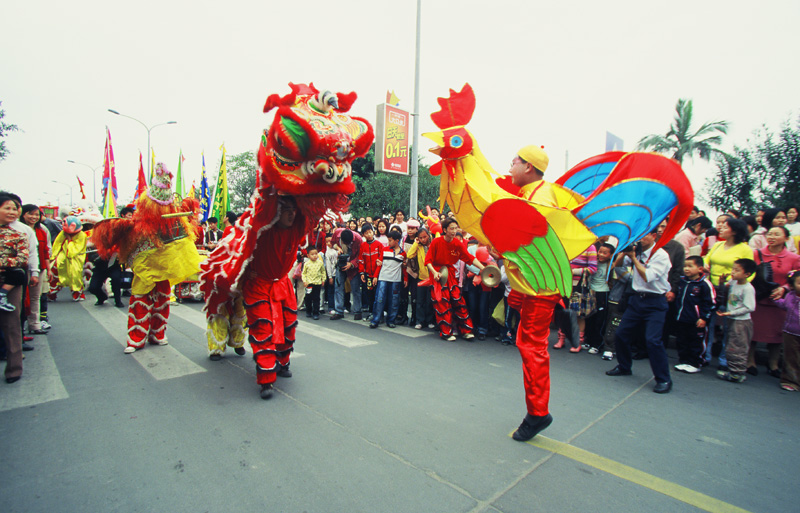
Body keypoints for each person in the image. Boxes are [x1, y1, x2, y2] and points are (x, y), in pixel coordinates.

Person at [605, 228, 673, 394]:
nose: (641, 239)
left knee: (653, 340)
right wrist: (625, 252)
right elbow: (616, 266)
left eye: (645, 235)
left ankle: (663, 379)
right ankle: (624, 366)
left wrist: (634, 258)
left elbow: (647, 276)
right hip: (636, 299)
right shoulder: (637, 251)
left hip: (655, 301)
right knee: (621, 334)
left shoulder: (661, 255)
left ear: (654, 236)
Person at [748, 226, 800, 376]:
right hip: (758, 298)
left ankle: (774, 364)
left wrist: (784, 288)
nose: (772, 237)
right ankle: (750, 361)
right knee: (754, 332)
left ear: (786, 238)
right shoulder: (756, 254)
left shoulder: (794, 258)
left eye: (776, 234)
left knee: (776, 334)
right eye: (769, 234)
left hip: (780, 301)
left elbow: (796, 278)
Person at [424, 217, 485, 341]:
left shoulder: (457, 243)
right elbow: (428, 260)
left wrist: (483, 268)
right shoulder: (436, 242)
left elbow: (469, 257)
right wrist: (435, 273)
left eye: (455, 228)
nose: (454, 231)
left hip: (450, 273)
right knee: (443, 302)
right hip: (437, 273)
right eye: (451, 228)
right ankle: (446, 332)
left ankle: (466, 330)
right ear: (445, 230)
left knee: (459, 300)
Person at [703, 218, 753, 367]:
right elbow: (707, 259)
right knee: (708, 323)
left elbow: (751, 271)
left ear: (735, 231)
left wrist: (736, 282)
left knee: (728, 326)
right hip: (713, 288)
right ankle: (706, 354)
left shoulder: (745, 249)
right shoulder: (718, 245)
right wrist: (705, 265)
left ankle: (725, 358)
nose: (721, 228)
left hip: (731, 290)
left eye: (725, 227)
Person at [0, 192, 28, 382]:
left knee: (12, 326)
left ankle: (14, 370)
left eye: (14, 208)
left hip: (11, 282)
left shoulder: (19, 235)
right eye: (7, 208)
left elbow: (22, 259)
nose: (12, 212)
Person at [716, 259, 757, 383]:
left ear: (747, 274)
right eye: (733, 269)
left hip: (741, 321)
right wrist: (722, 283)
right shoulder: (733, 282)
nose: (733, 272)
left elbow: (750, 307)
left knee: (738, 347)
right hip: (732, 319)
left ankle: (737, 373)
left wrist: (730, 313)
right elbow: (726, 293)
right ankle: (733, 370)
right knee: (730, 345)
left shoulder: (748, 288)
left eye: (737, 270)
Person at [673, 256, 715, 373]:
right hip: (682, 318)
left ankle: (695, 362)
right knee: (682, 341)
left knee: (696, 342)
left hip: (696, 320)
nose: (686, 269)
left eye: (690, 266)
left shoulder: (704, 284)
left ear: (700, 268)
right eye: (685, 266)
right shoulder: (683, 281)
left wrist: (703, 318)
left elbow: (710, 303)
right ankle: (684, 361)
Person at [20, 204, 51, 333]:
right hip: (22, 269)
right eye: (30, 214)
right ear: (23, 214)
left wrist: (48, 269)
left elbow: (45, 252)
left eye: (36, 215)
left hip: (39, 269)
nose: (34, 217)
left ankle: (35, 324)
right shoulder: (19, 230)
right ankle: (20, 328)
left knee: (35, 297)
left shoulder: (42, 231)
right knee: (21, 298)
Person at [369, 230, 406, 329]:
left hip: (396, 280)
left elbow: (404, 268)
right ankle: (375, 320)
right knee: (379, 299)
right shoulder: (385, 250)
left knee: (394, 300)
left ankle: (391, 320)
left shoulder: (403, 254)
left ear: (397, 241)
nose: (388, 242)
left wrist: (405, 279)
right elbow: (379, 264)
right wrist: (375, 276)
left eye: (390, 240)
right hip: (383, 278)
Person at [774, 270, 800, 391]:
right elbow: (784, 305)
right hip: (790, 332)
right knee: (790, 357)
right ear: (793, 285)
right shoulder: (790, 295)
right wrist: (775, 299)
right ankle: (790, 380)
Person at [330, 227, 363, 320]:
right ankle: (339, 311)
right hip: (341, 263)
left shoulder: (358, 239)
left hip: (353, 267)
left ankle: (357, 311)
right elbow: (332, 243)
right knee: (338, 287)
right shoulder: (337, 232)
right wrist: (337, 248)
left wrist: (351, 264)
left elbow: (360, 255)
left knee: (355, 289)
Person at [51, 215, 86, 301]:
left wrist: (69, 239)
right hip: (62, 256)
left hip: (76, 257)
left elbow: (73, 251)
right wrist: (53, 256)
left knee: (75, 274)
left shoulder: (82, 235)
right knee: (55, 271)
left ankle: (77, 293)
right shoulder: (63, 233)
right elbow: (57, 244)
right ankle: (51, 293)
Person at [408, 227, 434, 330]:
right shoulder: (418, 246)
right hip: (421, 277)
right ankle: (420, 321)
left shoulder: (433, 243)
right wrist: (415, 243)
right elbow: (409, 255)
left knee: (430, 301)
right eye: (420, 238)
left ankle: (430, 320)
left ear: (428, 235)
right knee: (420, 301)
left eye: (425, 237)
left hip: (432, 277)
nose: (423, 239)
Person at [358, 223, 383, 317]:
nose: (368, 234)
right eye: (366, 233)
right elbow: (361, 260)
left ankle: (379, 314)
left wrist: (376, 276)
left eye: (370, 232)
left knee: (378, 295)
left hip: (378, 275)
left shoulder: (379, 245)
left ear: (373, 232)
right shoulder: (363, 245)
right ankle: (371, 312)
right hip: (368, 275)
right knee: (369, 294)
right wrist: (361, 273)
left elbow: (380, 261)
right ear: (363, 235)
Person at [301, 246, 326, 320]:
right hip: (309, 283)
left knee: (316, 298)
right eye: (312, 254)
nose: (315, 255)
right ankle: (308, 310)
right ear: (308, 255)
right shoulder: (307, 264)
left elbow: (323, 272)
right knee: (308, 298)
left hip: (317, 283)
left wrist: (323, 279)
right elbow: (304, 273)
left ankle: (316, 312)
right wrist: (304, 281)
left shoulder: (320, 263)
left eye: (316, 253)